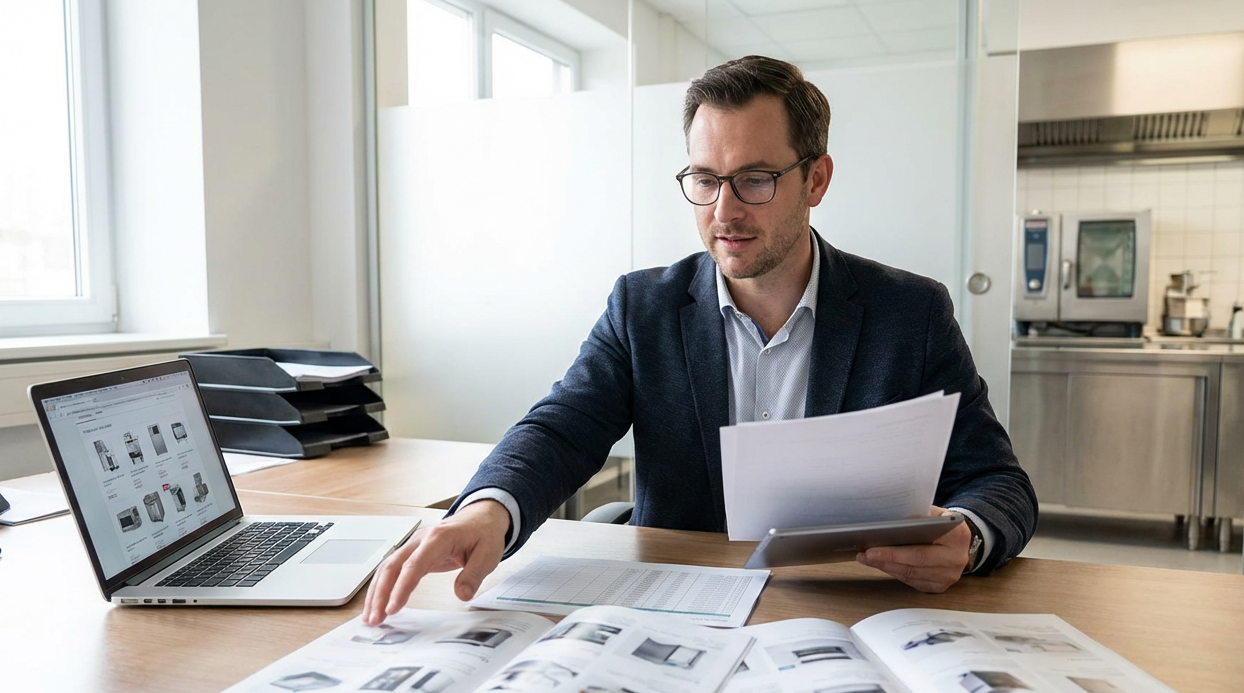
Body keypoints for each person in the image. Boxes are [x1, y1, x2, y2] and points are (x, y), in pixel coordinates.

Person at [364, 56, 1036, 626]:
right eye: (705, 179)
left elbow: (997, 482)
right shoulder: (644, 306)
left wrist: (968, 537)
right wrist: (487, 509)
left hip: (846, 612)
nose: (723, 210)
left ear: (817, 180)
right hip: (680, 611)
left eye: (755, 179)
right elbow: (563, 427)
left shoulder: (908, 313)